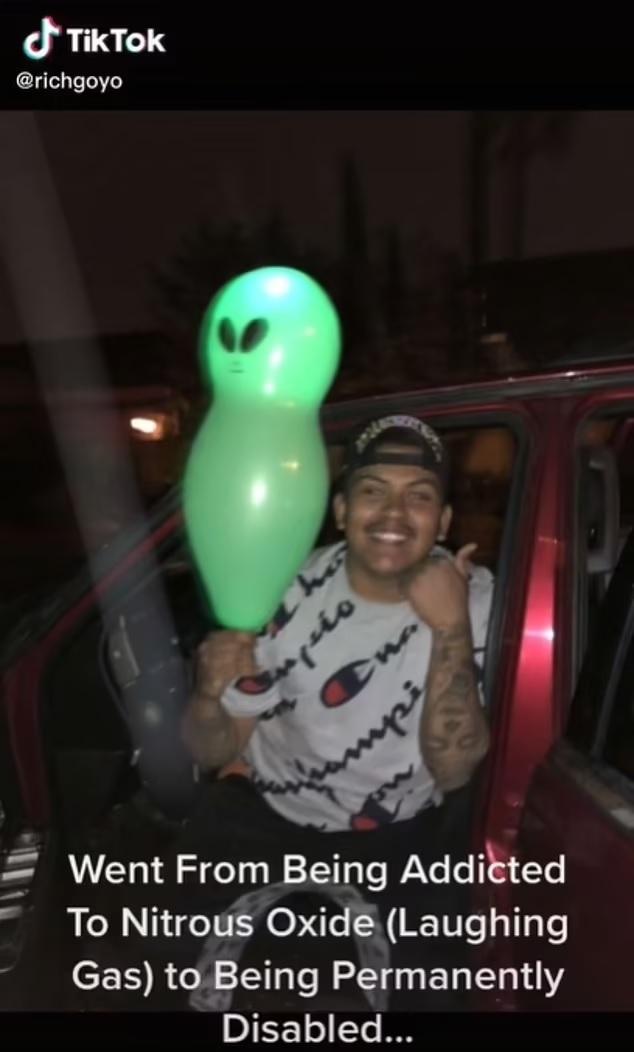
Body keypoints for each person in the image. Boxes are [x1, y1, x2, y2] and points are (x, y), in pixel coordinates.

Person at [95, 413, 493, 1013]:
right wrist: (207, 694)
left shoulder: (478, 600)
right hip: (266, 815)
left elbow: (456, 769)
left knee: (424, 995)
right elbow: (213, 749)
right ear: (341, 511)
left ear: (442, 522)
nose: (393, 514)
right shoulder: (282, 590)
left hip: (400, 833)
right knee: (161, 977)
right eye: (372, 492)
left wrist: (450, 626)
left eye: (418, 496)